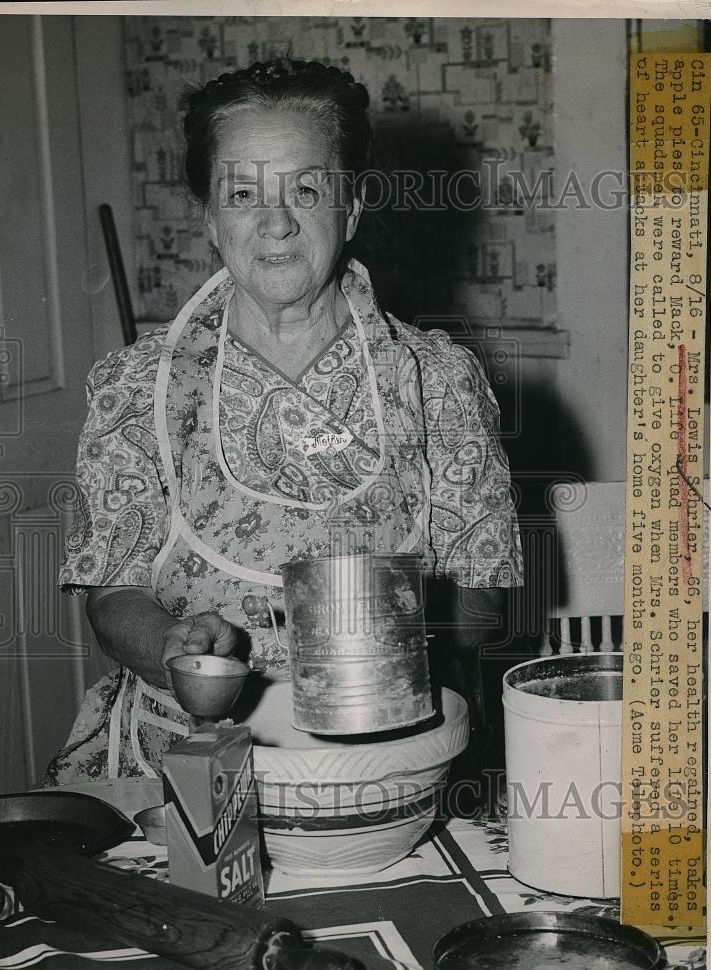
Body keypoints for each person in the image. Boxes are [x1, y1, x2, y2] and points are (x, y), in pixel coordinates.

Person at [45, 58, 523, 785]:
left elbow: (481, 600)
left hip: (386, 756)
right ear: (209, 216)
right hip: (184, 760)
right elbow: (112, 595)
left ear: (352, 208)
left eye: (307, 187)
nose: (276, 222)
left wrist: (379, 636)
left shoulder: (440, 380)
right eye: (242, 192)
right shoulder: (137, 385)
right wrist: (175, 644)